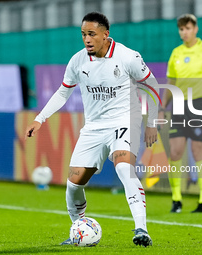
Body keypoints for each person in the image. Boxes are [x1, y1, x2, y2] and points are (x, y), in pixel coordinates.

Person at [25, 12, 158, 247]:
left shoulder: (128, 57)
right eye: (83, 34)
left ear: (106, 35)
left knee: (124, 168)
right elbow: (63, 91)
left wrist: (151, 123)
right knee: (74, 184)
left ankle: (141, 229)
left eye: (92, 34)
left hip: (124, 121)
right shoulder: (77, 61)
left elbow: (152, 86)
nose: (87, 39)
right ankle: (78, 229)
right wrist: (40, 119)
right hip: (94, 127)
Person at [158, 14, 202, 213]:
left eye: (187, 28)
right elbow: (171, 83)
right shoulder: (176, 53)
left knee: (198, 151)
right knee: (176, 151)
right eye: (181, 29)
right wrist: (162, 108)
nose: (184, 32)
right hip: (179, 104)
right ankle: (176, 199)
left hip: (201, 104)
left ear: (195, 29)